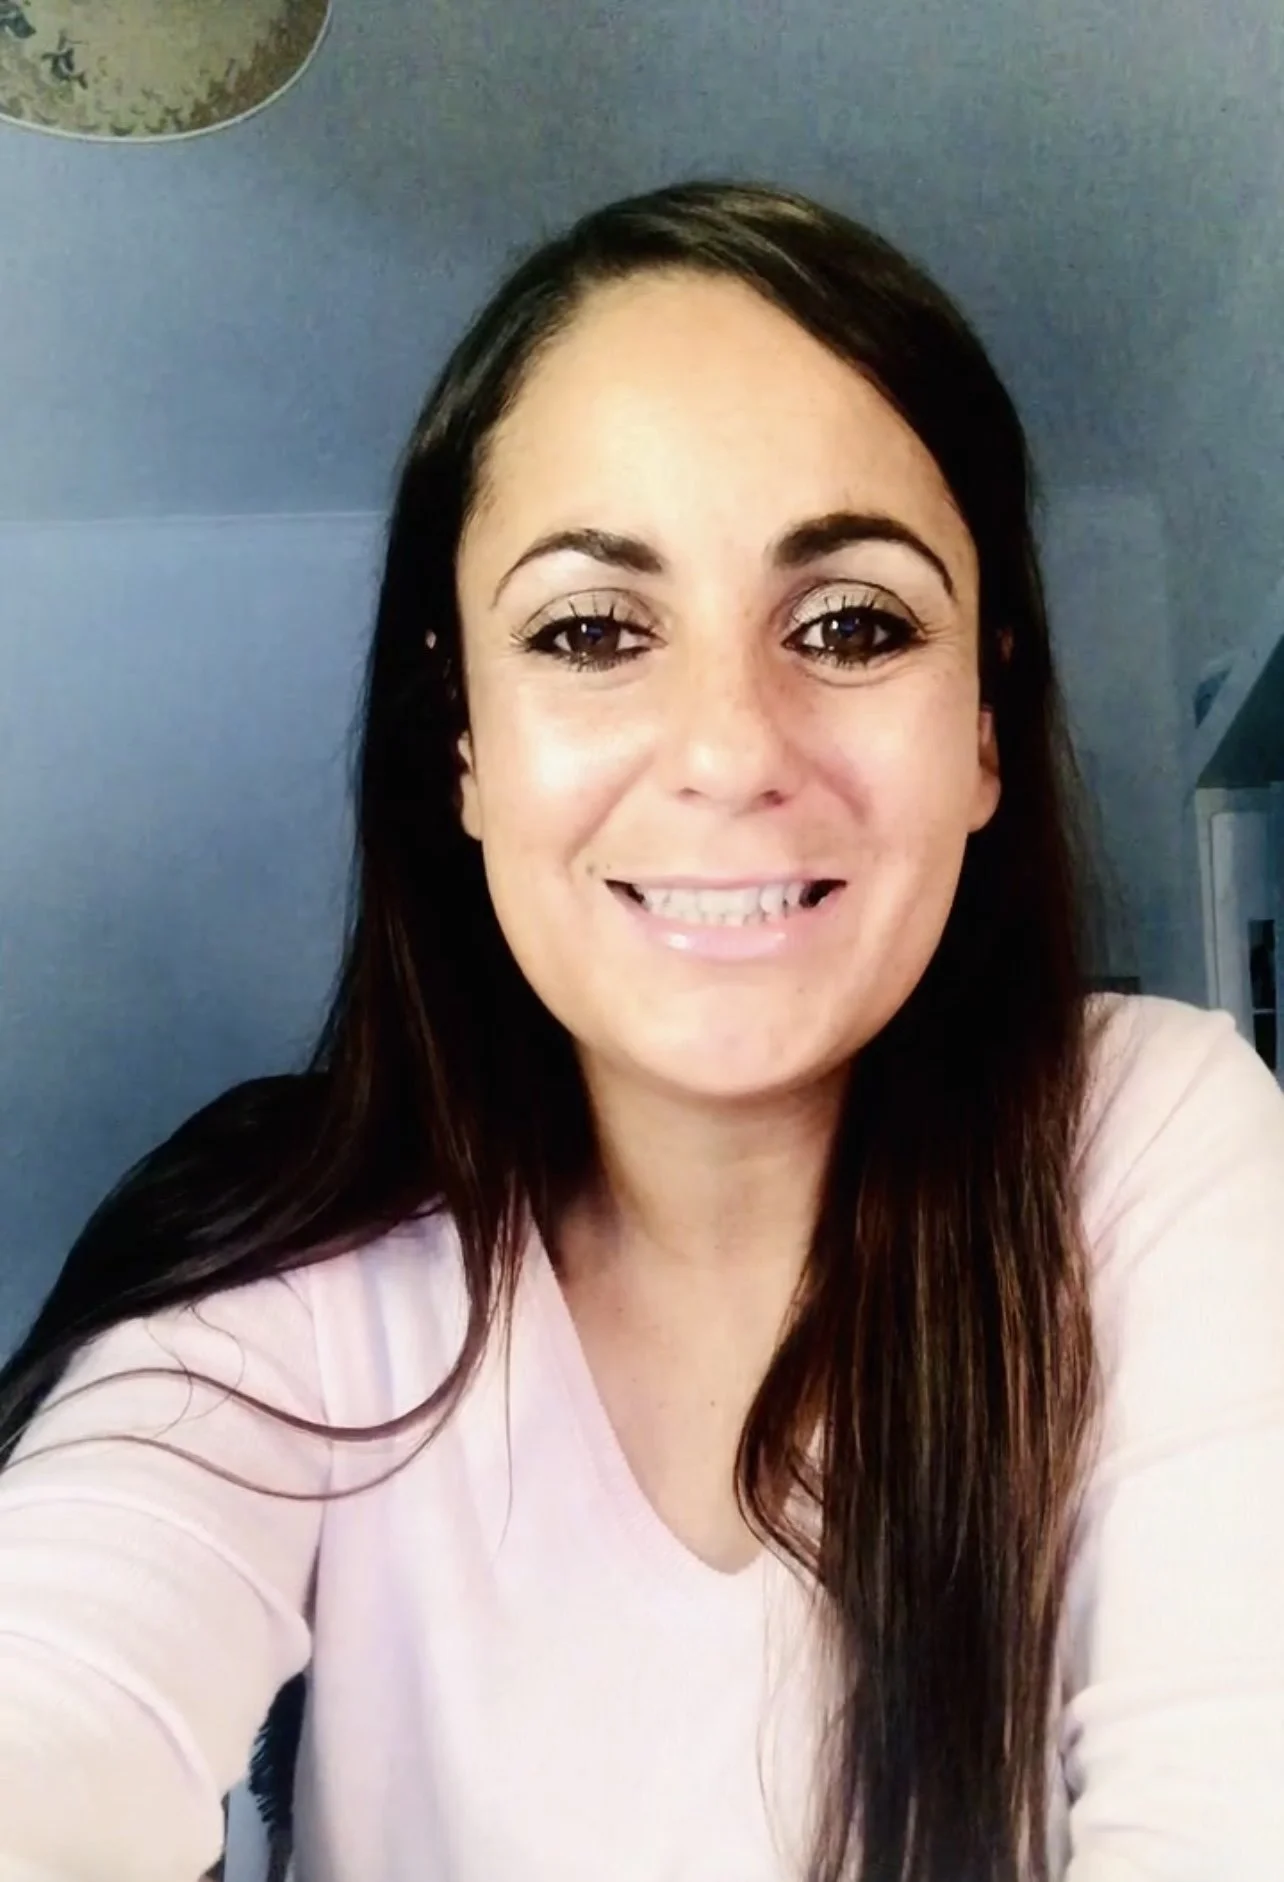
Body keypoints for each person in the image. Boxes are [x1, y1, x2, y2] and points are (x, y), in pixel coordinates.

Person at [0, 179, 1281, 1882]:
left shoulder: (1151, 1143)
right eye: (594, 631)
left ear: (984, 733)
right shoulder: (294, 1268)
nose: (730, 747)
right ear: (461, 744)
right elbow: (58, 1699)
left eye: (852, 623)